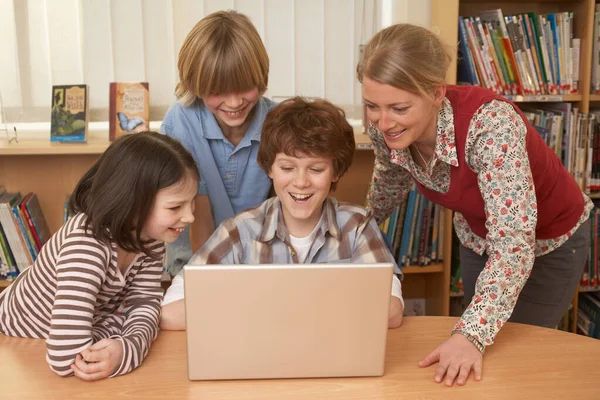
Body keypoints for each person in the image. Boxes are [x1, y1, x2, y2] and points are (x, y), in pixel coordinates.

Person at [357, 24, 592, 386]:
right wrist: (354, 227)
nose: (382, 122)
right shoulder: (384, 123)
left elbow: (514, 245)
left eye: (398, 108)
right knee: (481, 361)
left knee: (516, 356)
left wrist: (469, 335)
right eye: (372, 105)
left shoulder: (491, 126)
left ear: (436, 93)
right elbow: (391, 179)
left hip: (548, 241)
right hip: (479, 234)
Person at [160, 97, 405, 330]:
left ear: (336, 172)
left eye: (316, 169)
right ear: (269, 168)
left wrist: (282, 311)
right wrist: (278, 312)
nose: (300, 182)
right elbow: (170, 312)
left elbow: (392, 309)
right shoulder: (239, 231)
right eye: (287, 168)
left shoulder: (357, 226)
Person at [0, 132, 199, 380]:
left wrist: (126, 348)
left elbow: (146, 307)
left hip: (89, 318)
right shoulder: (87, 246)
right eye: (175, 207)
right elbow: (65, 357)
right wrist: (123, 326)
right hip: (20, 333)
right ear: (133, 202)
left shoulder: (149, 237)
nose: (190, 217)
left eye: (191, 203)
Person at [161, 10, 276, 276]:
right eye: (218, 91)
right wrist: (212, 282)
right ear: (195, 84)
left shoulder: (277, 122)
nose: (234, 103)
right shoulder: (180, 121)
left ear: (261, 78)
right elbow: (198, 216)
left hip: (260, 263)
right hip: (195, 263)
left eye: (245, 87)